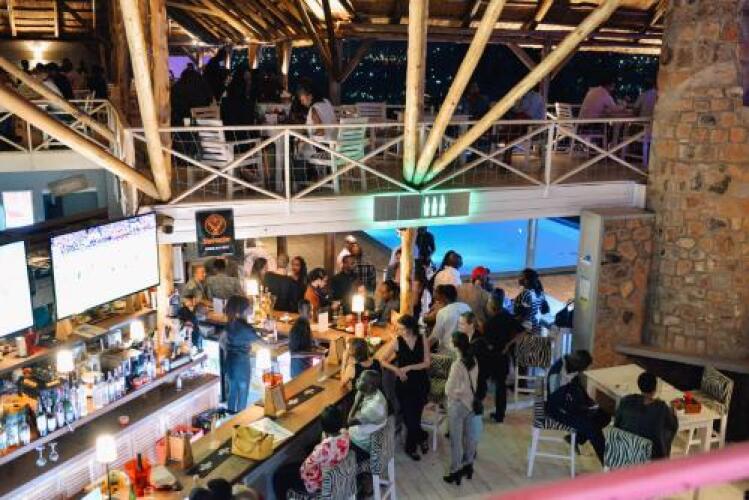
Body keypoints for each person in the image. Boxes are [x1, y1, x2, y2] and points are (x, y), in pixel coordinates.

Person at [273, 405, 351, 499]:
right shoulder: (345, 434)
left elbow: (305, 468)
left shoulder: (323, 448)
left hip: (318, 483)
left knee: (278, 476)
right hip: (333, 473)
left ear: (323, 427)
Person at [381, 314, 430, 460]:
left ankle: (413, 444)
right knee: (409, 418)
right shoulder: (397, 341)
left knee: (416, 416)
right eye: (399, 328)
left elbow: (427, 363)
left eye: (402, 328)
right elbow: (382, 360)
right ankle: (421, 437)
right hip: (404, 385)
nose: (399, 331)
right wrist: (396, 369)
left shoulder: (422, 339)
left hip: (421, 382)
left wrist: (409, 367)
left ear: (410, 328)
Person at [546, 359, 610, 465]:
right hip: (559, 411)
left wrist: (589, 405)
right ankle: (607, 464)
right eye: (584, 368)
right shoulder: (558, 376)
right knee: (592, 428)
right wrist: (583, 411)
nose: (583, 371)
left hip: (571, 406)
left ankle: (576, 438)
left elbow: (578, 393)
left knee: (604, 416)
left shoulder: (569, 369)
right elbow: (559, 403)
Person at [481, 289, 525, 422]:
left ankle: (477, 410)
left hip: (489, 356)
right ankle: (500, 415)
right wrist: (508, 344)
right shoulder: (508, 316)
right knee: (501, 386)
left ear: (492, 303)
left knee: (481, 383)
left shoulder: (490, 321)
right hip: (503, 355)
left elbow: (487, 339)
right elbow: (522, 332)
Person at [444, 332, 480, 486]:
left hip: (457, 405)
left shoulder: (457, 365)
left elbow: (448, 390)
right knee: (469, 436)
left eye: (451, 341)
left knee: (456, 440)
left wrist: (454, 394)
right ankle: (468, 465)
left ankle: (455, 471)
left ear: (455, 346)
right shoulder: (474, 360)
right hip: (471, 403)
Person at [615, 371, 678, 459]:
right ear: (655, 388)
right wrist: (674, 415)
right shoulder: (661, 408)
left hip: (625, 450)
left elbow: (617, 423)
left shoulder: (626, 400)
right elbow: (672, 426)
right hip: (650, 455)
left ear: (639, 385)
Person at [222, 296, 262, 413]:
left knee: (232, 391)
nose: (251, 308)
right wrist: (288, 340)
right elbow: (269, 345)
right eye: (249, 306)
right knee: (243, 393)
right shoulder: (246, 328)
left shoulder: (231, 323)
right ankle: (240, 419)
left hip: (230, 361)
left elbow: (221, 341)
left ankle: (230, 417)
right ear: (243, 310)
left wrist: (230, 349)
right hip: (242, 363)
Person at [348, 369, 388, 461]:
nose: (357, 380)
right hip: (367, 434)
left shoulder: (373, 407)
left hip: (361, 443)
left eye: (361, 379)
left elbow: (349, 421)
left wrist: (356, 402)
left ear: (369, 386)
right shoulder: (374, 392)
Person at [430, 285, 471, 353]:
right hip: (466, 352)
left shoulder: (443, 312)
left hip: (447, 354)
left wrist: (423, 349)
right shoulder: (466, 307)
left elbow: (435, 336)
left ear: (443, 297)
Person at [514, 268, 548, 335]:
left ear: (527, 280)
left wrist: (512, 324)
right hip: (534, 329)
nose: (519, 278)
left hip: (525, 331)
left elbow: (525, 314)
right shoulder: (540, 294)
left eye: (521, 276)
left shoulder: (526, 294)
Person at [288, 300, 317, 378]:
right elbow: (293, 353)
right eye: (308, 311)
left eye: (311, 310)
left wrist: (316, 347)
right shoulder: (297, 328)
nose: (311, 313)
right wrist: (316, 354)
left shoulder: (305, 323)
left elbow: (306, 345)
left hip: (306, 367)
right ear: (300, 311)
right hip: (299, 371)